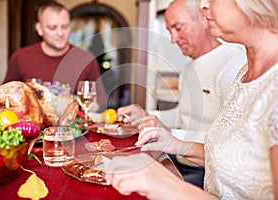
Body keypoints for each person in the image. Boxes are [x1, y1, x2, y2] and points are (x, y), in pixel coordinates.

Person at [106, 0, 278, 199]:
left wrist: (168, 185)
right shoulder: (244, 73)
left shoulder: (252, 76)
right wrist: (175, 143)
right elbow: (234, 161)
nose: (203, 5)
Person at [3, 1, 107, 110]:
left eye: (65, 27)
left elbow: (101, 98)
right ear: (39, 29)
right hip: (33, 124)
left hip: (73, 125)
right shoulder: (21, 57)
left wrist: (86, 104)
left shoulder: (86, 58)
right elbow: (6, 96)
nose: (60, 33)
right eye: (53, 28)